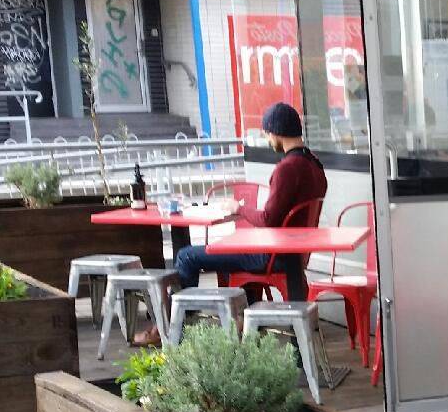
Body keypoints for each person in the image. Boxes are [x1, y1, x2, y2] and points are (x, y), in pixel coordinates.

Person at [133, 102, 326, 345]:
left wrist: (238, 208)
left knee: (186, 256)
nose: (268, 139)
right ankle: (227, 320)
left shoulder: (287, 169)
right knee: (220, 251)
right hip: (292, 252)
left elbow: (268, 219)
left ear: (276, 132)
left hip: (273, 255)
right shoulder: (315, 165)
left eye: (267, 133)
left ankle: (171, 331)